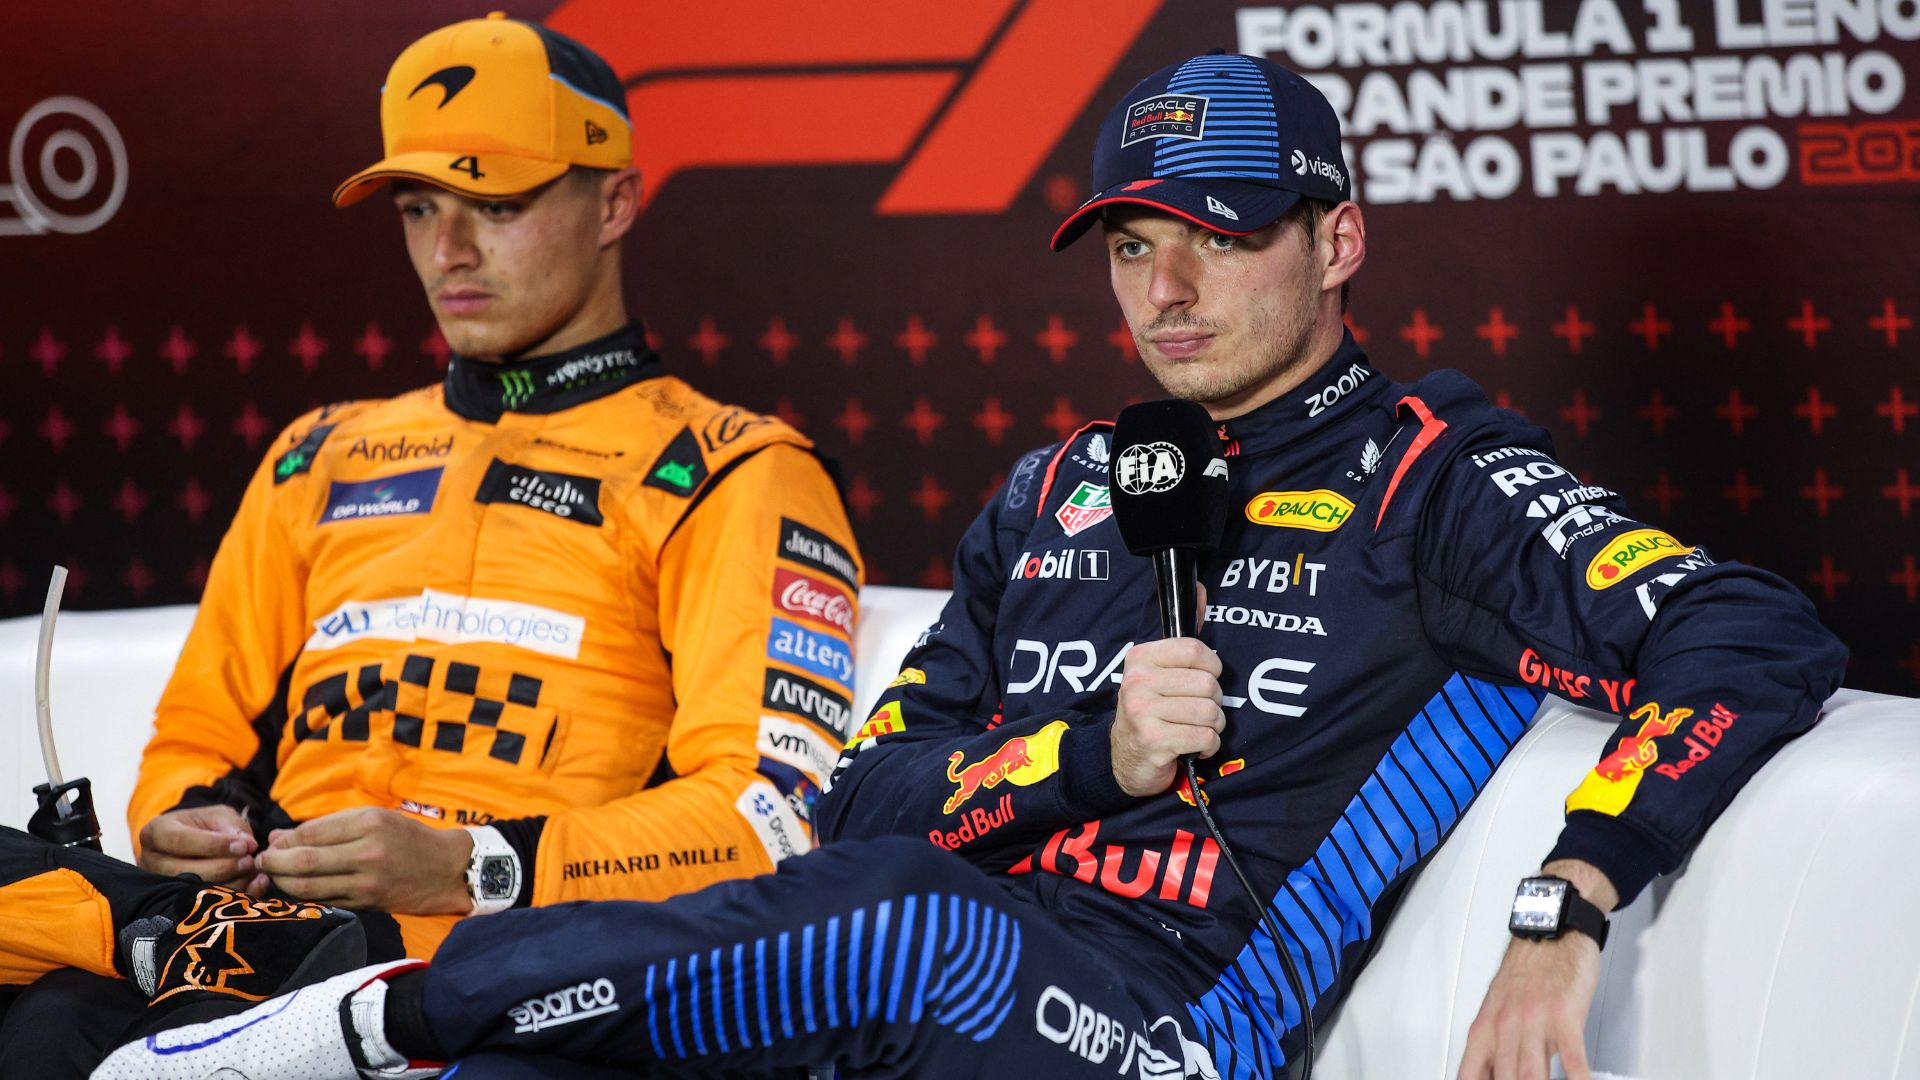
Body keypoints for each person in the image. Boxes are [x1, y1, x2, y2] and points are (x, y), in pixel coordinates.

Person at [93, 50, 1846, 1080]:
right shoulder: (1057, 493)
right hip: (902, 987)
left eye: (1219, 242)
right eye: (1133, 245)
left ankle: (353, 1031)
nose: (1165, 290)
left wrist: (1568, 913)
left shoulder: (1435, 479)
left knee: (920, 928)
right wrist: (1087, 755)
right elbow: (868, 803)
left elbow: (1745, 636)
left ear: (1339, 243)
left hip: (1157, 1037)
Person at [0, 13, 859, 1077]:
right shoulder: (317, 454)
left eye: (495, 206)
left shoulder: (736, 468)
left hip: (494, 981)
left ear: (618, 202)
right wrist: (185, 819)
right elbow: (195, 736)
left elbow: (766, 820)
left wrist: (471, 864)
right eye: (420, 208)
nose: (449, 252)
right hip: (235, 952)